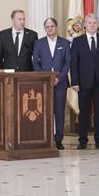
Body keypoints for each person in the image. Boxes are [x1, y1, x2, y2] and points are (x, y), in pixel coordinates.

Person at [70, 13, 99, 149]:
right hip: (83, 83)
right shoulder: (77, 41)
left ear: (97, 25)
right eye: (90, 23)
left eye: (94, 23)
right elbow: (74, 64)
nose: (92, 25)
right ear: (85, 25)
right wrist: (75, 82)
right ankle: (83, 141)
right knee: (84, 113)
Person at [32, 18, 71, 150]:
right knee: (45, 112)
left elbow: (67, 63)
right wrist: (45, 78)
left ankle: (58, 139)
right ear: (45, 28)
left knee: (59, 112)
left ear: (56, 27)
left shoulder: (65, 43)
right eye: (47, 27)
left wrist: (59, 78)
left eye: (52, 26)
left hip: (60, 83)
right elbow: (35, 63)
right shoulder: (38, 43)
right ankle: (46, 139)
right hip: (44, 85)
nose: (50, 28)